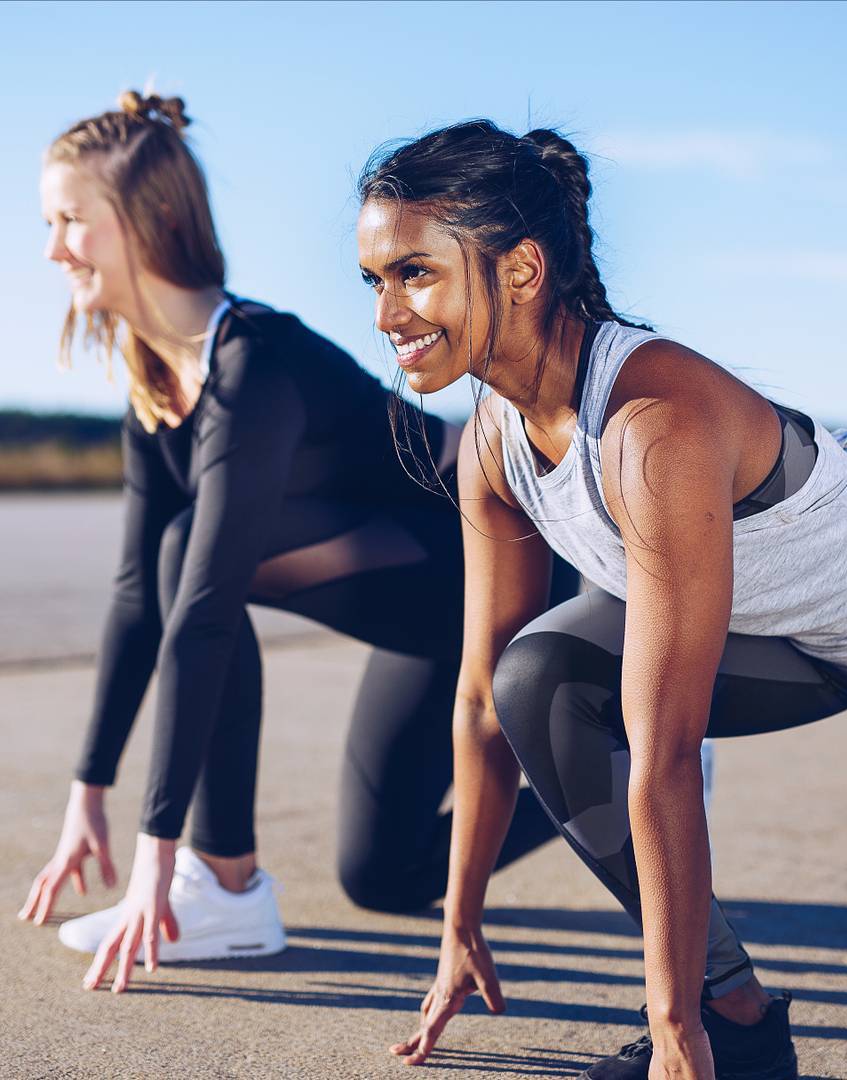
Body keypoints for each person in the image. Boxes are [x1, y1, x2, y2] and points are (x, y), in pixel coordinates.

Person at [354, 120, 847, 1079]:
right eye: (374, 279)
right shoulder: (494, 441)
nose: (385, 313)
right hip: (772, 646)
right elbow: (485, 697)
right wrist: (459, 924)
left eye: (414, 273)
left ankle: (698, 1028)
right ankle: (734, 1017)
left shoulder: (653, 424)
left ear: (521, 269)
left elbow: (665, 757)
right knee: (540, 676)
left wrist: (667, 1035)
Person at [19, 94, 571, 994]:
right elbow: (134, 599)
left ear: (149, 221)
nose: (53, 248)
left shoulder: (254, 364)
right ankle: (613, 765)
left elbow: (200, 604)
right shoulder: (157, 378)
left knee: (193, 554)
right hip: (418, 608)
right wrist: (89, 791)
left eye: (71, 220)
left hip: (495, 573)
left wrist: (161, 847)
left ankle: (226, 882)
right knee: (382, 877)